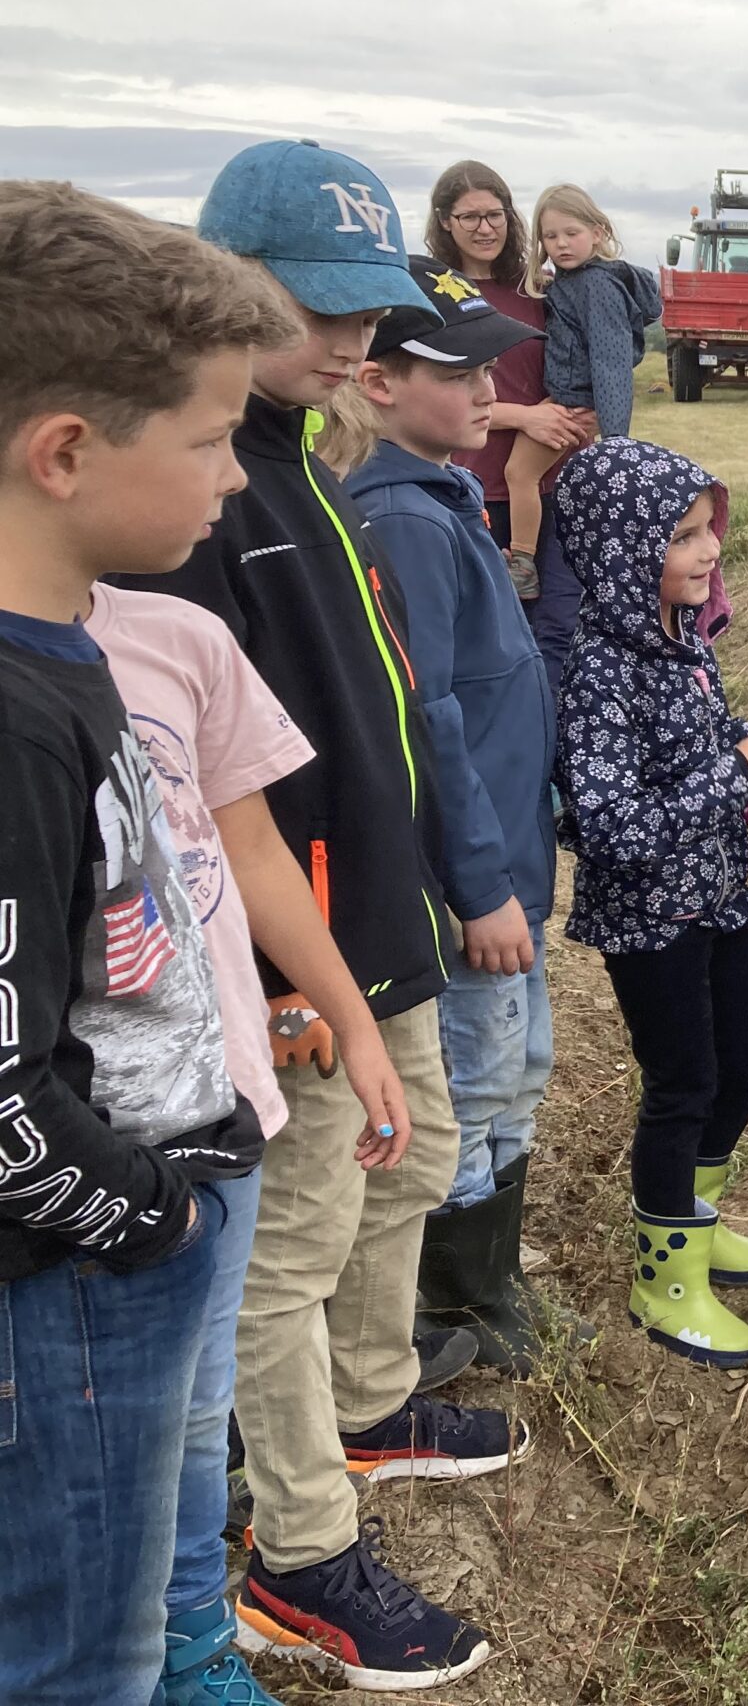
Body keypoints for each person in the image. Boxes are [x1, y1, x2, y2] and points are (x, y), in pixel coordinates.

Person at [114, 141, 519, 1691]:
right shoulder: (208, 499)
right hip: (299, 942)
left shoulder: (302, 468)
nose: (356, 343)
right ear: (230, 288)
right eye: (319, 311)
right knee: (291, 1237)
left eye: (371, 311)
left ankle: (369, 1398)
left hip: (379, 924)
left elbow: (380, 713)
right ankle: (298, 1550)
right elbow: (211, 785)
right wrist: (281, 975)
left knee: (407, 1161)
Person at [0, 182, 313, 1705]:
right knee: (82, 1663)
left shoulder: (73, 662)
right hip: (69, 1287)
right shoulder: (12, 719)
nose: (234, 485)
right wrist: (154, 1225)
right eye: (207, 443)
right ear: (65, 452)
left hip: (99, 1260)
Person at [342, 260, 563, 1377]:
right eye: (455, 370)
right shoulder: (401, 517)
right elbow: (426, 718)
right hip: (473, 878)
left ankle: (496, 1275)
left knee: (518, 1064)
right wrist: (478, 885)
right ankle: (460, 1301)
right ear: (375, 384)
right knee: (477, 1077)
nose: (485, 389)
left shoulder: (443, 495)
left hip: (509, 859)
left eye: (489, 365)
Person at [552, 437, 748, 1370]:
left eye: (708, 533)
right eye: (684, 537)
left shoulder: (679, 642)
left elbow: (692, 748)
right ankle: (666, 1280)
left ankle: (691, 1214)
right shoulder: (600, 672)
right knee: (683, 1081)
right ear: (620, 549)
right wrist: (737, 773)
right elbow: (612, 825)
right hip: (649, 919)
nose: (709, 552)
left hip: (716, 894)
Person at [425, 161, 594, 696]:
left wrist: (583, 414)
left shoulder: (542, 290)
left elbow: (580, 367)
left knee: (561, 629)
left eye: (494, 214)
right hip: (482, 489)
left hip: (558, 484)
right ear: (444, 222)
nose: (484, 227)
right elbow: (433, 400)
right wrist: (526, 416)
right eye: (469, 216)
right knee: (496, 634)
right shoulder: (435, 295)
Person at [504, 185, 660, 600]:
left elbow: (610, 363)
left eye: (570, 233)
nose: (560, 244)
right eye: (550, 236)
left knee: (520, 473)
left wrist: (616, 441)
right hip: (567, 397)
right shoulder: (576, 280)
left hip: (574, 403)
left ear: (598, 232)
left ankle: (521, 564)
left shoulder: (597, 286)